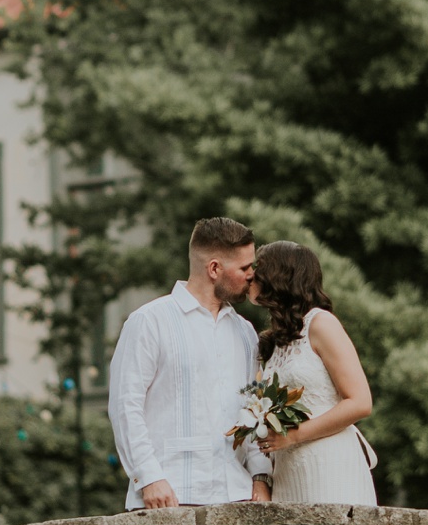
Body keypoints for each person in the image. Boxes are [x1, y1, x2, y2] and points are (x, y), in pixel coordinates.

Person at [108, 215, 274, 509]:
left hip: (237, 496)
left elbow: (253, 411)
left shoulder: (245, 332)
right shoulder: (149, 321)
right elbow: (125, 405)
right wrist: (148, 477)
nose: (252, 275)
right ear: (214, 268)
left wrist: (261, 476)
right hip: (169, 496)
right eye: (245, 268)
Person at [250, 240, 377, 506]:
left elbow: (360, 402)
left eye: (258, 269)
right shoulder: (273, 341)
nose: (251, 275)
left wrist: (293, 435)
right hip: (288, 471)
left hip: (330, 463)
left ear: (280, 276)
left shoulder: (321, 324)